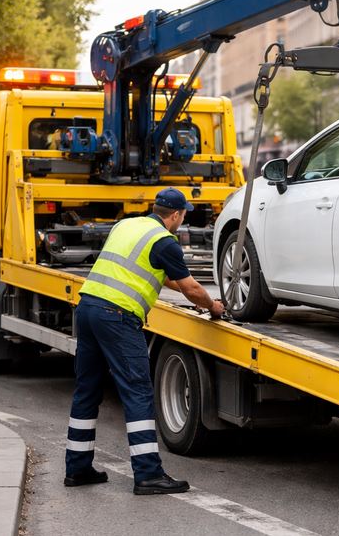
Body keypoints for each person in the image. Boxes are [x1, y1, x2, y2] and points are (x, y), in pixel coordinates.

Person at [65, 188, 224, 495]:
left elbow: (155, 274)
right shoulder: (165, 241)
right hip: (118, 316)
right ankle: (148, 474)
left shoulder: (127, 225)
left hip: (88, 308)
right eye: (183, 215)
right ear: (176, 215)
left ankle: (77, 468)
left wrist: (185, 291)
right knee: (138, 390)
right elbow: (192, 288)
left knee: (86, 390)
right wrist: (212, 306)